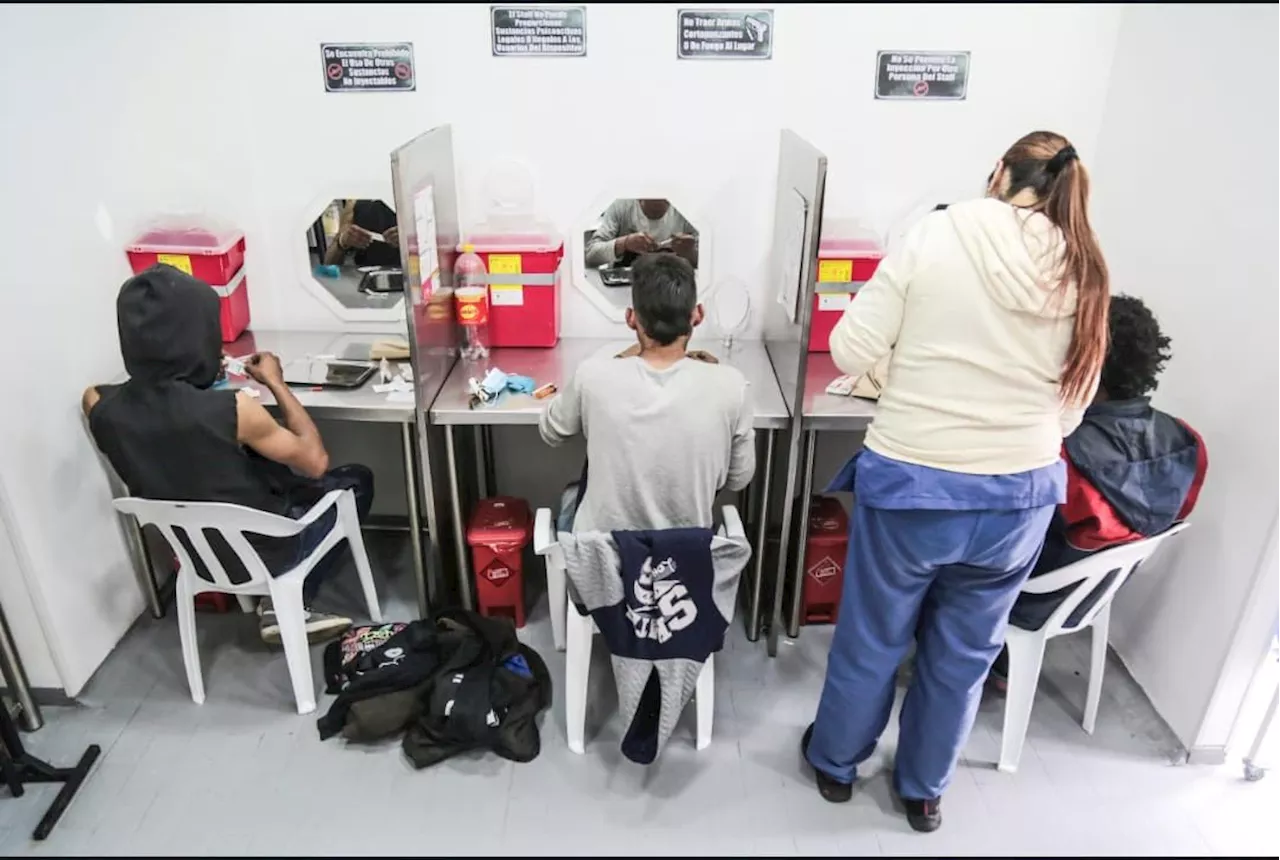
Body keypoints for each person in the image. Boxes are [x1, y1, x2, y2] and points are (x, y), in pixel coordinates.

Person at [802, 131, 1110, 833]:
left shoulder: (936, 233)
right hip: (1018, 499)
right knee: (965, 654)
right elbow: (1070, 410)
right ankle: (923, 791)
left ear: (999, 174)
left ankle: (837, 764)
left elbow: (849, 347)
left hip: (914, 483)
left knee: (875, 636)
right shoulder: (1086, 267)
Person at [85, 265, 374, 645]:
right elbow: (314, 460)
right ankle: (285, 600)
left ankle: (270, 599)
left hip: (195, 554)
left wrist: (188, 375)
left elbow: (152, 402)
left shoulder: (97, 404)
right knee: (355, 479)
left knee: (258, 467)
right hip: (268, 552)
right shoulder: (235, 410)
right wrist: (275, 381)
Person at [989, 295, 1207, 681]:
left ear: (1084, 361)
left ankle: (969, 670)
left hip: (1033, 600)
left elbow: (1009, 538)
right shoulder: (1186, 441)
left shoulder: (1062, 452)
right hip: (1093, 594)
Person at [538, 253, 753, 533]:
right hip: (681, 565)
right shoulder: (732, 386)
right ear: (697, 315)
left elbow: (551, 431)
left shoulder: (593, 375)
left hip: (603, 562)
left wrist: (617, 362)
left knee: (570, 499)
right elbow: (738, 479)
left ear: (631, 318)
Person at [584, 199, 699, 270]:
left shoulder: (686, 209)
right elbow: (591, 255)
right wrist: (625, 243)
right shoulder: (621, 206)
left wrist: (690, 252)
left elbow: (710, 266)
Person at [323, 199, 401, 268]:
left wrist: (410, 239)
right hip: (366, 276)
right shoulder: (354, 202)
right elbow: (328, 263)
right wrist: (343, 242)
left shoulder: (408, 197)